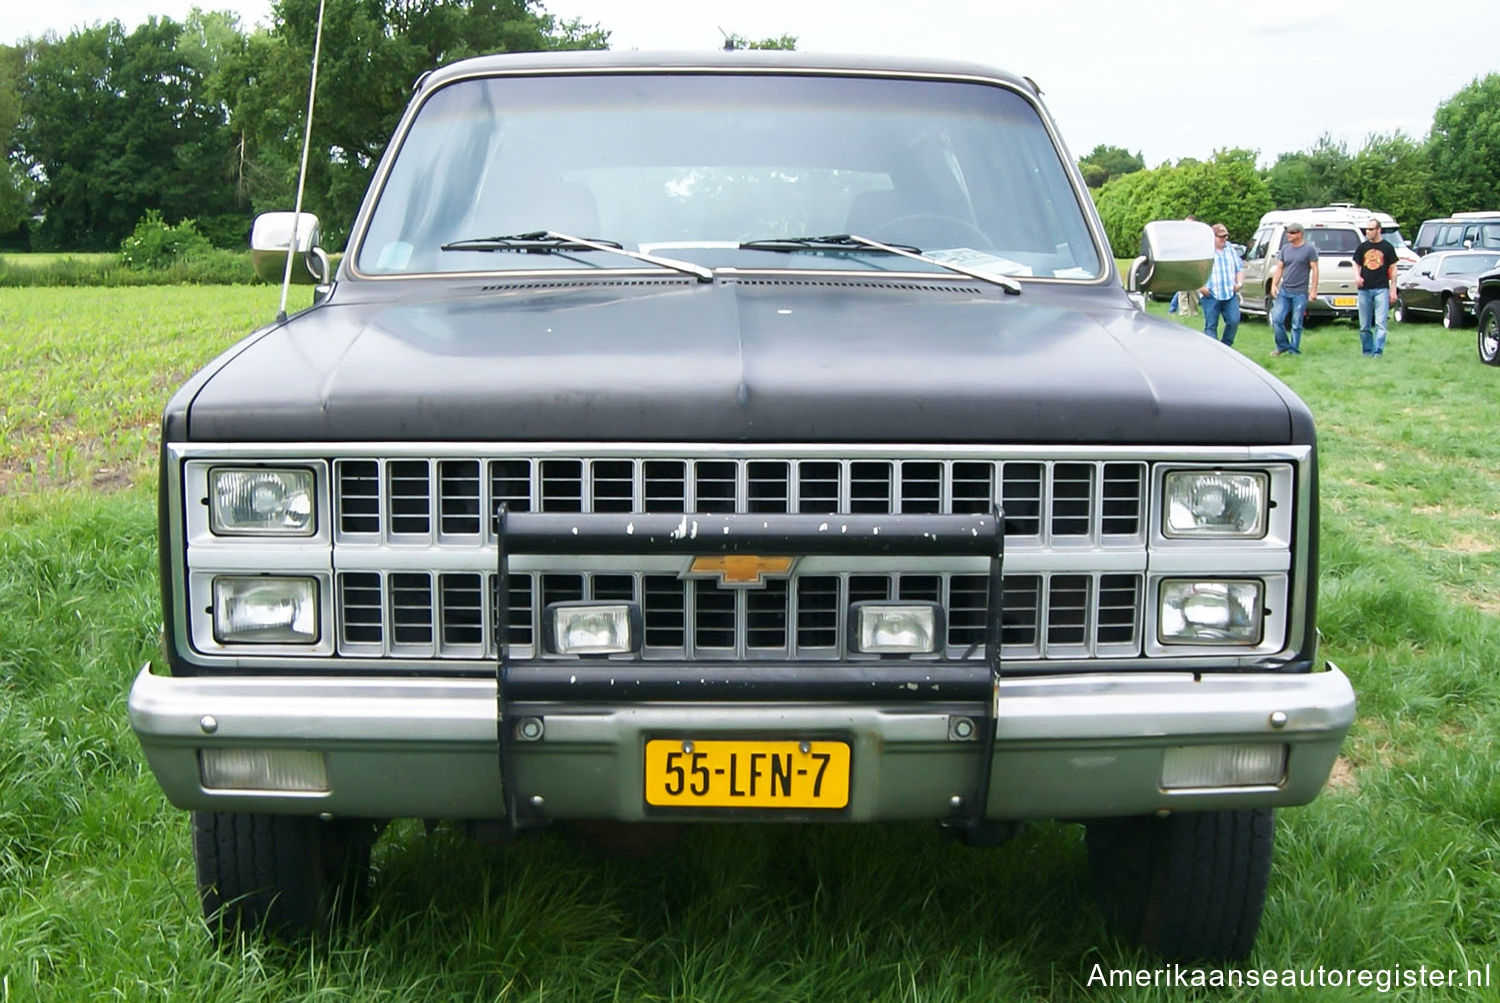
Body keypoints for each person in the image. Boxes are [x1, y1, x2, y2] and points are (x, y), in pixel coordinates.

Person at [1269, 222, 1318, 356]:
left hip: (1300, 293)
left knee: (1296, 323)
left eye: (1291, 233)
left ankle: (1294, 350)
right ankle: (1282, 345)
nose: (1288, 235)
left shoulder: (1309, 250)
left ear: (1299, 234)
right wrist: (1274, 285)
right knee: (1277, 319)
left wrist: (1313, 290)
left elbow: (1315, 269)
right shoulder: (1285, 249)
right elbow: (1279, 268)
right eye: (1288, 232)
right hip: (1284, 291)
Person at [1353, 218, 1398, 357]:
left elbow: (1393, 268)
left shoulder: (1387, 247)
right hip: (1364, 289)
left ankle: (1378, 352)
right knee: (1364, 325)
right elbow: (1356, 263)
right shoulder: (1362, 247)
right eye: (1366, 229)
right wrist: (1357, 276)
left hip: (1381, 288)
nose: (1368, 232)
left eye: (1371, 229)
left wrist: (1393, 290)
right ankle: (1367, 351)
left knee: (1380, 323)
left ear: (1378, 230)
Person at [1198, 223, 1244, 345]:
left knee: (1234, 320)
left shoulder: (1230, 249)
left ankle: (1225, 347)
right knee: (1211, 325)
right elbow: (1194, 271)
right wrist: (1201, 287)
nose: (1223, 239)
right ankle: (1211, 351)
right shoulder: (1204, 250)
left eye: (1225, 237)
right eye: (1220, 237)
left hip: (1229, 292)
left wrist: (1239, 283)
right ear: (1212, 237)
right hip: (1210, 294)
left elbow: (1239, 268)